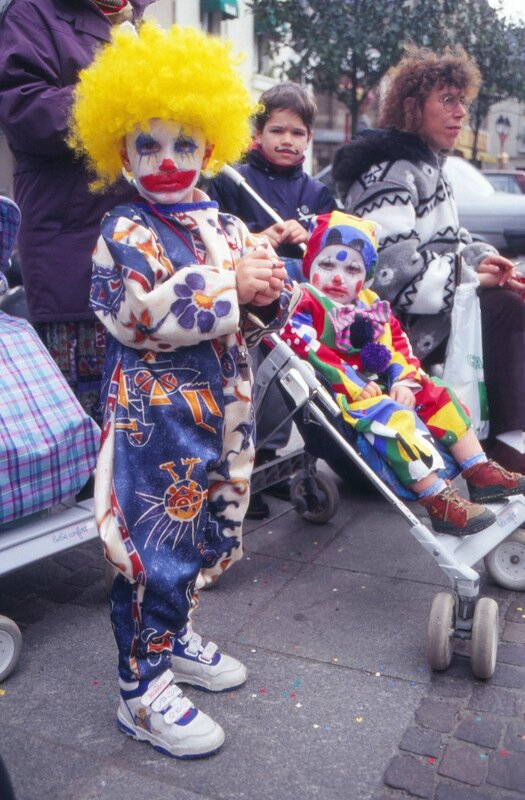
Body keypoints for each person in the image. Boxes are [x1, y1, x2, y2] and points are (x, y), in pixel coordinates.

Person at [69, 21, 295, 758]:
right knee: (152, 547)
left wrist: (265, 292)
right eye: (147, 144)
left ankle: (177, 637)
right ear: (119, 149)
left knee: (203, 536)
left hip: (223, 412)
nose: (166, 161)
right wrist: (230, 285)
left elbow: (252, 314)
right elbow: (135, 313)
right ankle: (141, 687)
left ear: (211, 145)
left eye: (183, 144)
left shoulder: (225, 220)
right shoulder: (123, 227)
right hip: (154, 423)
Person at [332, 45, 525, 473]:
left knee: (511, 298)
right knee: (505, 311)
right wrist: (472, 279)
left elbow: (454, 245)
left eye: (463, 101)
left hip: (425, 318)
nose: (460, 114)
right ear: (411, 107)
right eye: (447, 100)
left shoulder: (429, 168)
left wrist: (490, 263)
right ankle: (507, 447)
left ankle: (506, 440)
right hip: (394, 329)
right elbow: (387, 275)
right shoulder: (392, 172)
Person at [282, 211, 525, 535]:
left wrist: (404, 379)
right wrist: (353, 384)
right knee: (395, 418)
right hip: (344, 394)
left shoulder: (370, 304)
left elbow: (398, 346)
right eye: (327, 265)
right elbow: (307, 348)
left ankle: (478, 469)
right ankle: (437, 498)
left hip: (386, 384)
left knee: (437, 390)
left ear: (366, 275)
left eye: (352, 268)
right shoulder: (306, 301)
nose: (338, 277)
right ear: (311, 263)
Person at [0, 0, 155, 422]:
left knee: (139, 417)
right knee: (87, 419)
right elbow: (25, 113)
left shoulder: (133, 21)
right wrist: (114, 91)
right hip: (72, 241)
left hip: (142, 243)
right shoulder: (32, 13)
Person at [209, 82, 337, 518]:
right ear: (257, 134)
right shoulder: (233, 180)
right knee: (254, 386)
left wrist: (312, 238)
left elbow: (335, 259)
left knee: (292, 387)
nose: (287, 140)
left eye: (297, 133)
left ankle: (274, 464)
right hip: (252, 310)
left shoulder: (317, 194)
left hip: (299, 308)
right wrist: (254, 237)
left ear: (309, 138)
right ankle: (245, 466)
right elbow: (213, 238)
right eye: (277, 130)